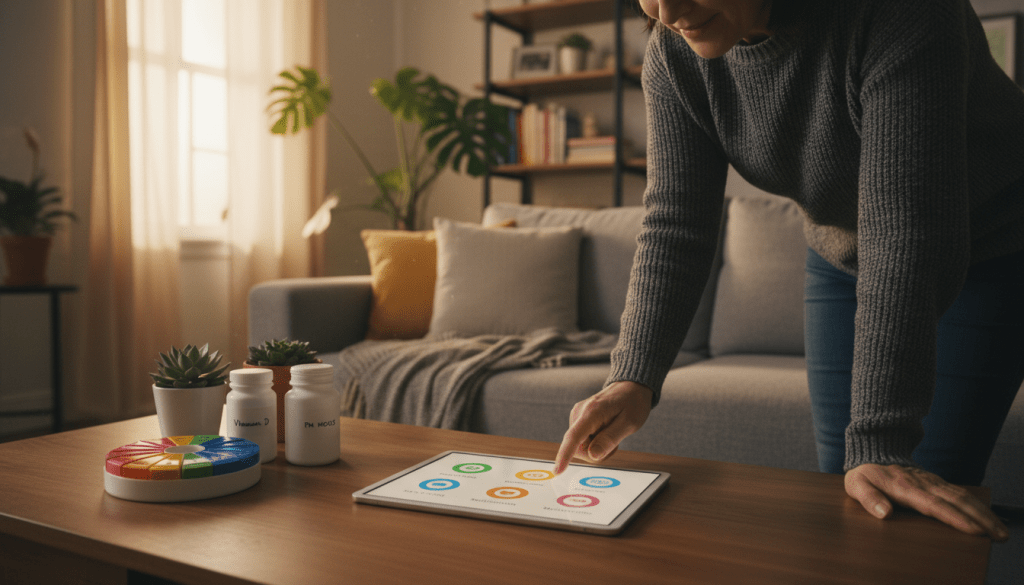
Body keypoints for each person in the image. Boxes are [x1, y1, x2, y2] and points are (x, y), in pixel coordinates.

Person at [554, 0, 1024, 542]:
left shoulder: (901, 12)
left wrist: (882, 439)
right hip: (839, 249)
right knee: (847, 485)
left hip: (988, 246)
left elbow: (906, 231)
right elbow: (676, 224)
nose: (668, 11)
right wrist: (632, 377)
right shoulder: (673, 56)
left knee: (916, 492)